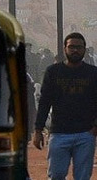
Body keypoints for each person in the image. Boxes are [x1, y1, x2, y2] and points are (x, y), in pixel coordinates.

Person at [35, 32, 97, 180]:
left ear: (84, 50)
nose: (75, 50)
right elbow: (44, 102)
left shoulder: (93, 73)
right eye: (71, 47)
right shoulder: (53, 72)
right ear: (65, 49)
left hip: (86, 134)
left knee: (82, 177)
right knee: (56, 175)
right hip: (59, 133)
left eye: (79, 47)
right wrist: (38, 130)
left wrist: (95, 126)